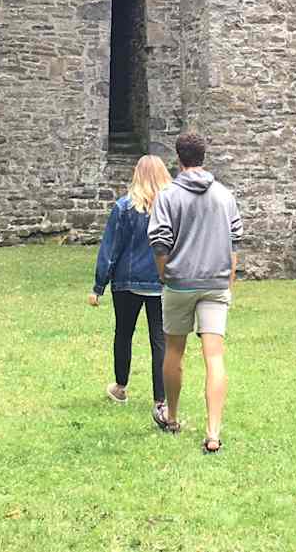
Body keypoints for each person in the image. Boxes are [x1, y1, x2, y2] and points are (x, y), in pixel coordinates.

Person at [147, 130, 242, 454]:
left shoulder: (168, 195)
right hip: (215, 282)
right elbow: (235, 239)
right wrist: (228, 278)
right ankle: (213, 433)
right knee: (214, 356)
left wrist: (165, 273)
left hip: (179, 282)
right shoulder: (224, 195)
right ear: (203, 157)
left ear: (179, 158)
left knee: (174, 351)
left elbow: (159, 241)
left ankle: (171, 417)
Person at [88, 156, 172, 410]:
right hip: (162, 281)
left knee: (123, 334)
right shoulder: (173, 208)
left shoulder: (124, 207)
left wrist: (98, 286)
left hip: (126, 281)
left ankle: (121, 386)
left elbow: (111, 248)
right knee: (160, 340)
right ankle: (161, 399)